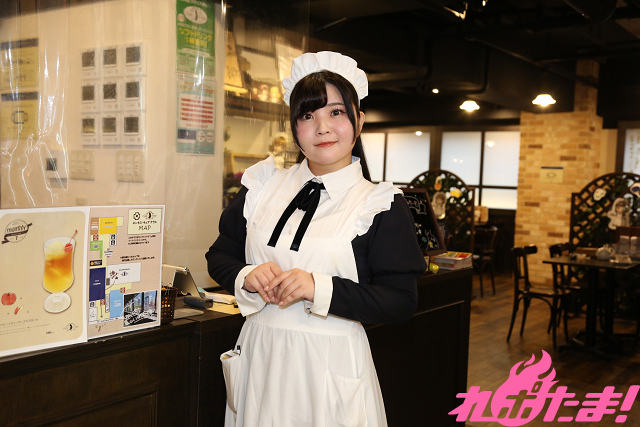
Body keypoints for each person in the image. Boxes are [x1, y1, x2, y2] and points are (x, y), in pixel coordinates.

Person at [206, 51, 427, 427]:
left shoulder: (378, 203)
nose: (322, 128)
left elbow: (400, 302)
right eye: (308, 115)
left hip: (330, 363)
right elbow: (220, 254)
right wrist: (246, 275)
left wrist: (318, 288)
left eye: (336, 112)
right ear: (294, 127)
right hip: (260, 352)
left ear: (359, 120)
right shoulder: (262, 186)